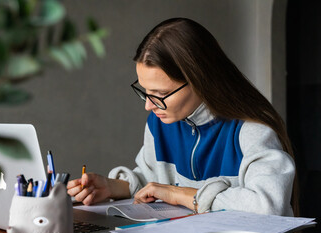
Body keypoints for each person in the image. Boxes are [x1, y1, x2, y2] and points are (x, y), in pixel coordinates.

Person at [67, 18, 297, 216]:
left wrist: (180, 194)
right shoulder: (160, 123)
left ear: (200, 80)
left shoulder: (250, 129)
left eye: (161, 94)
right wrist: (110, 187)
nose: (149, 105)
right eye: (145, 91)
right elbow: (152, 178)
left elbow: (268, 205)